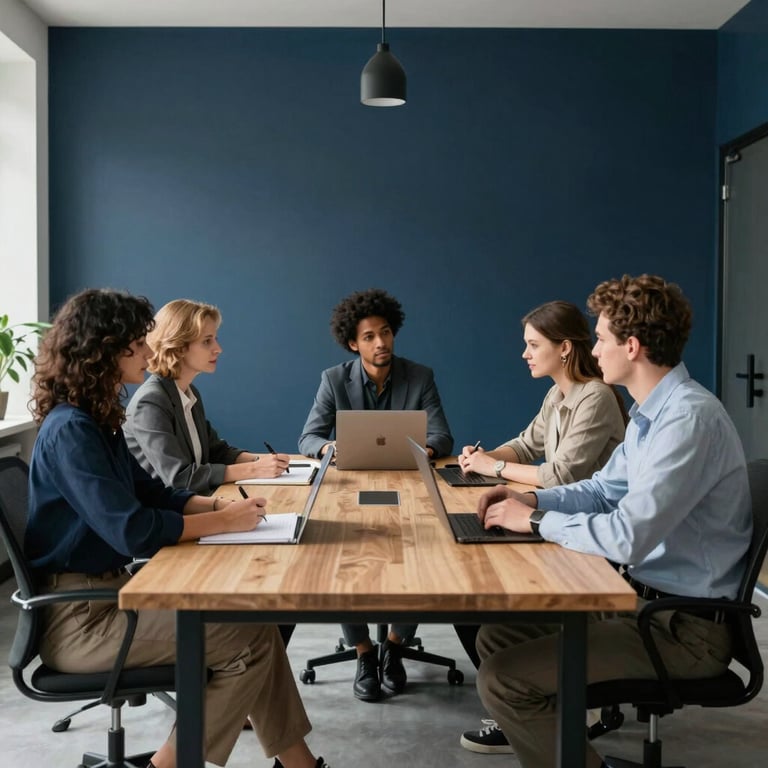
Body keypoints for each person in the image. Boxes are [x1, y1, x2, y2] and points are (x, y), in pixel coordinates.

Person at [25, 288, 334, 768]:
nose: (149, 352)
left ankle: (299, 764)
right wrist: (222, 519)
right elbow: (132, 530)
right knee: (249, 640)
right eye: (137, 342)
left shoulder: (97, 423)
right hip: (83, 621)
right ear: (104, 349)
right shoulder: (71, 431)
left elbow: (155, 494)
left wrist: (222, 510)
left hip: (113, 597)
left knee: (257, 627)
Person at [468, 275, 752, 768]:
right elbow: (601, 489)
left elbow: (627, 537)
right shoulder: (651, 416)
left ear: (633, 346)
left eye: (600, 339)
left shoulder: (688, 421)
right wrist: (531, 500)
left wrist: (533, 523)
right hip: (646, 604)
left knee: (502, 678)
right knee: (497, 636)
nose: (593, 351)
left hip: (684, 630)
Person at [456, 300, 628, 754]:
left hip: (592, 538)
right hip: (565, 521)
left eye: (533, 345)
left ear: (565, 348)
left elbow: (562, 474)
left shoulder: (596, 397)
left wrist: (495, 471)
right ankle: (525, 714)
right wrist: (482, 457)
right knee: (493, 616)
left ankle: (546, 708)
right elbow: (527, 444)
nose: (525, 354)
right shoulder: (558, 394)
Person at [298, 287, 453, 703]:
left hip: (408, 484)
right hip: (352, 486)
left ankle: (395, 645)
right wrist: (328, 448)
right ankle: (365, 651)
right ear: (353, 342)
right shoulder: (334, 379)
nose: (380, 342)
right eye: (369, 337)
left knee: (424, 552)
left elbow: (441, 434)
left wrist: (427, 449)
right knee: (340, 558)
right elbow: (309, 437)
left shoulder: (419, 376)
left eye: (385, 333)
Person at [124, 298, 290, 493]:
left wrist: (263, 461)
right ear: (178, 346)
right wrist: (254, 468)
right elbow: (179, 478)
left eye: (215, 338)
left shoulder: (189, 392)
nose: (218, 349)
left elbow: (216, 451)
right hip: (169, 515)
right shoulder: (151, 401)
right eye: (206, 341)